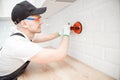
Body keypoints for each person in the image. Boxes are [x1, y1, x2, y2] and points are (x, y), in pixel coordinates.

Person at [0, 1, 71, 80]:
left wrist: (60, 33)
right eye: (37, 19)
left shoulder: (21, 37)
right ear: (24, 24)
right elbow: (60, 55)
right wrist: (66, 34)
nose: (41, 22)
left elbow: (45, 38)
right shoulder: (18, 44)